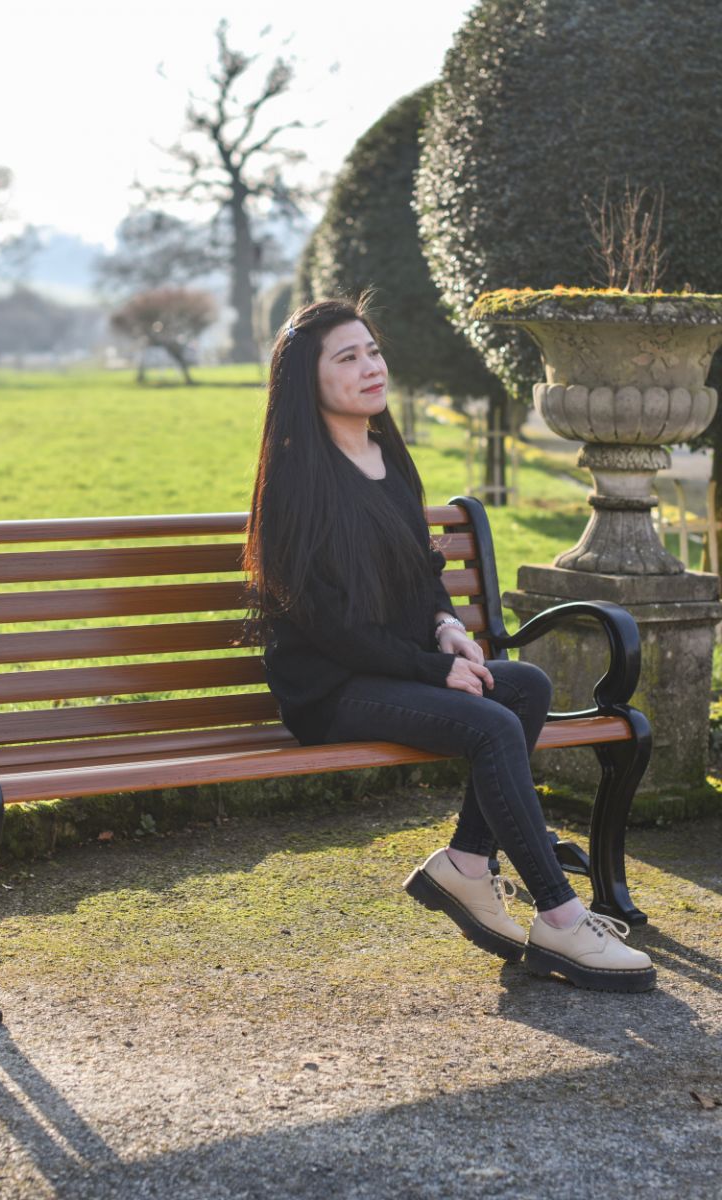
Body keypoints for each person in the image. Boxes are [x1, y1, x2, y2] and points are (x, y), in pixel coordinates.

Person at [244, 298, 655, 993]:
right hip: (331, 689)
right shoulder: (295, 478)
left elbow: (421, 568)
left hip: (396, 667)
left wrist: (446, 627)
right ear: (305, 379)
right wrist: (434, 670)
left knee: (524, 686)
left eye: (373, 350)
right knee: (492, 723)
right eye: (348, 357)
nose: (371, 367)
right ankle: (561, 918)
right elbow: (329, 628)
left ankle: (465, 864)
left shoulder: (386, 455)